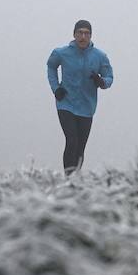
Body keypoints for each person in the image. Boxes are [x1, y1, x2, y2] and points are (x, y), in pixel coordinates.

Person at [46, 19, 114, 174]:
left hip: (87, 107)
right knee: (72, 141)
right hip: (66, 104)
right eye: (80, 33)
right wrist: (56, 88)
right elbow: (51, 66)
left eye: (86, 33)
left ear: (91, 36)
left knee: (80, 146)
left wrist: (101, 81)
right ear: (74, 35)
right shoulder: (61, 53)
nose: (83, 36)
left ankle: (75, 179)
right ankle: (68, 179)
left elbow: (110, 77)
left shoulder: (99, 56)